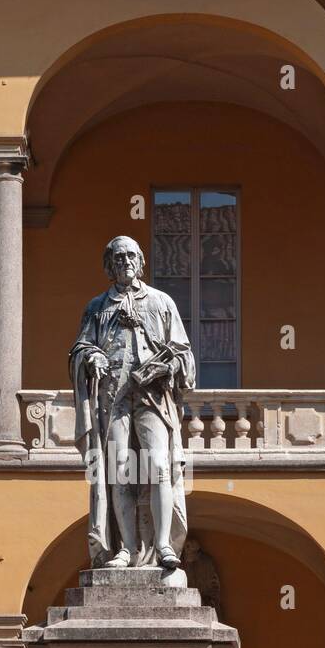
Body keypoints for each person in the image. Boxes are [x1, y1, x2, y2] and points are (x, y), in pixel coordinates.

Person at [69, 235, 195, 569]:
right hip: (114, 396)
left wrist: (169, 365)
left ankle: (164, 545)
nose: (125, 261)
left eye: (131, 256)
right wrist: (91, 357)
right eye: (118, 257)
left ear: (141, 261)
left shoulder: (161, 302)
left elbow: (184, 352)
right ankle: (125, 548)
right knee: (118, 470)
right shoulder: (97, 307)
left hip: (153, 395)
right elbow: (80, 348)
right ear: (109, 266)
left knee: (158, 466)